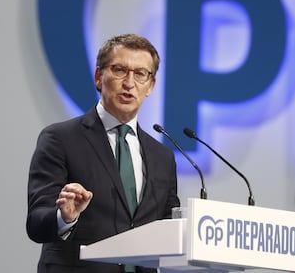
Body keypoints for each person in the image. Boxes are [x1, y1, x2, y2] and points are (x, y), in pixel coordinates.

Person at [26, 33, 180, 273]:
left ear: (151, 86)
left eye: (140, 74)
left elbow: (170, 228)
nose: (129, 83)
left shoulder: (163, 157)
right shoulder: (60, 139)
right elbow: (36, 223)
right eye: (119, 70)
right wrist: (64, 217)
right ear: (99, 76)